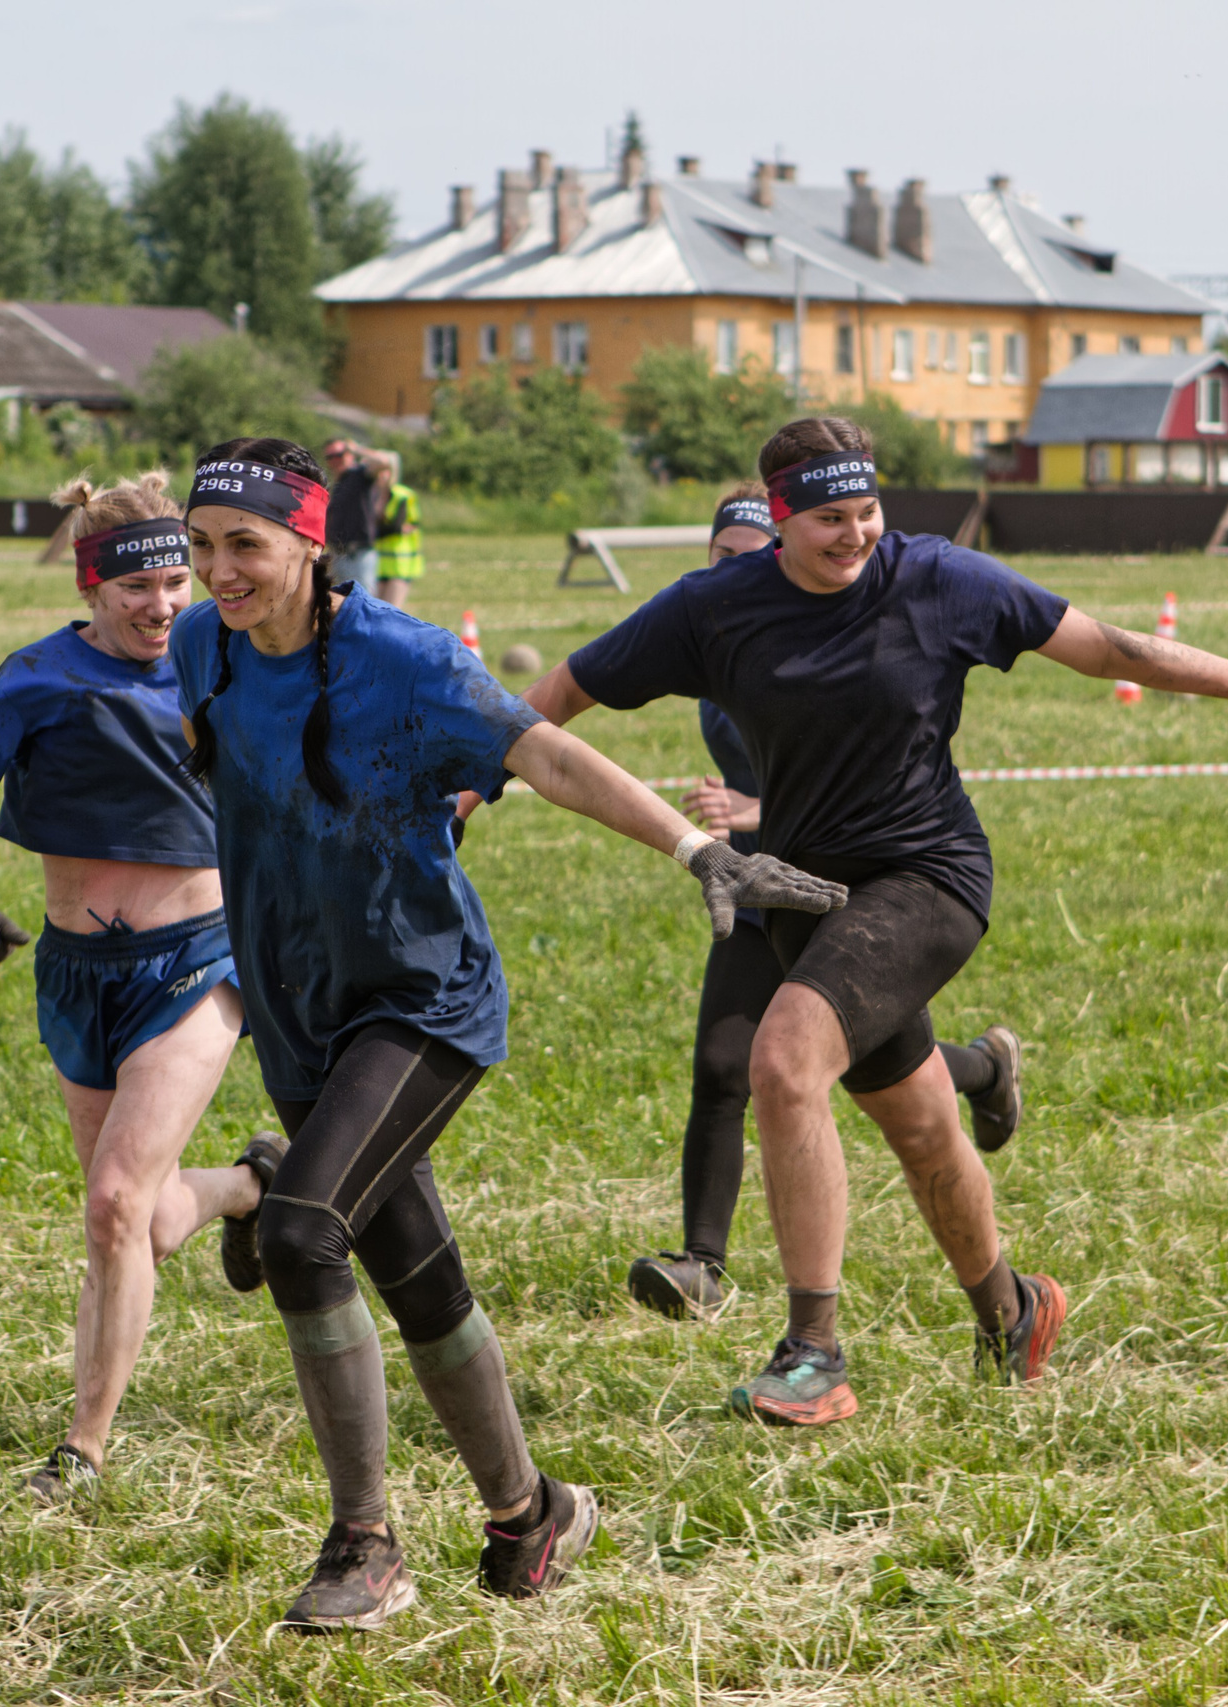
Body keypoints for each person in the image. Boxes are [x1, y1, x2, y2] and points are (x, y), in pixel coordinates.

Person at [517, 416, 1228, 1426]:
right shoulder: (715, 608)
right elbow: (566, 691)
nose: (855, 535)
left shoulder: (941, 581)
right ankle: (1012, 1310)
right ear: (779, 519)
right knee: (921, 1127)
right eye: (830, 518)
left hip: (928, 878)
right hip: (806, 893)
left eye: (868, 511)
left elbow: (1099, 647)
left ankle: (813, 1354)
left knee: (784, 1061)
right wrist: (473, 779)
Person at [171, 436, 842, 1628]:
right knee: (416, 1279)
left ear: (311, 544)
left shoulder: (408, 660)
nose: (217, 572)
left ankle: (362, 1544)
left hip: (420, 1000)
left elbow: (550, 754)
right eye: (203, 545)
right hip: (294, 1008)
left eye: (246, 547)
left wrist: (698, 851)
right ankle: (532, 1512)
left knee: (302, 1232)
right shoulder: (198, 649)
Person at [0, 471, 278, 1504]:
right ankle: (250, 1185)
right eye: (139, 590)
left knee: (115, 1205)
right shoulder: (33, 679)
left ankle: (82, 1449)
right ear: (92, 587)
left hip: (199, 962)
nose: (163, 606)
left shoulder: (226, 666)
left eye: (178, 582)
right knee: (144, 1217)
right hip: (77, 975)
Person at [623, 487, 1027, 1323]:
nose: (733, 573)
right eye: (719, 559)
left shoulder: (825, 626)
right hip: (755, 882)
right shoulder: (714, 636)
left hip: (846, 882)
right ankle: (702, 1262)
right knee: (726, 1063)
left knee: (829, 1068)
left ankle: (984, 1070)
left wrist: (753, 812)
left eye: (749, 555)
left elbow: (863, 780)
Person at [320, 439, 383, 590]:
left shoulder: (360, 475)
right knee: (342, 602)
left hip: (359, 554)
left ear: (349, 454)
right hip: (337, 554)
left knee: (364, 601)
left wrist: (358, 449)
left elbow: (384, 462)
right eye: (330, 457)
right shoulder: (334, 484)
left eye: (340, 454)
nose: (335, 460)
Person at [371, 450, 422, 611]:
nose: (382, 476)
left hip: (400, 564)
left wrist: (377, 527)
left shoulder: (403, 496)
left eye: (386, 471)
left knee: (391, 612)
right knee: (376, 613)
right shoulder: (371, 495)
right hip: (378, 563)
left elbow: (395, 527)